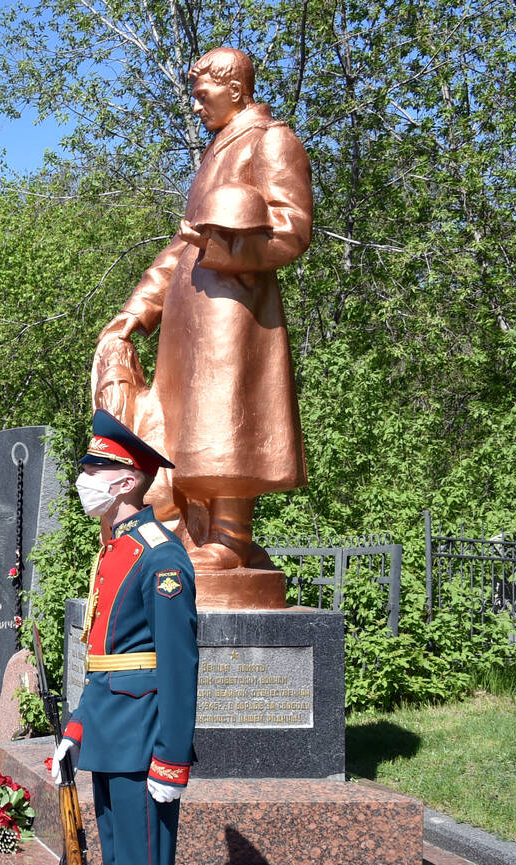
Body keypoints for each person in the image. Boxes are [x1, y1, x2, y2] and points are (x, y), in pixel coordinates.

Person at [94, 46, 310, 575]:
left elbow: (292, 229)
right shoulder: (216, 150)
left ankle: (232, 538)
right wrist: (135, 313)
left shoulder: (270, 140)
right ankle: (196, 531)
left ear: (234, 88)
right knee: (184, 429)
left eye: (202, 93)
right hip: (190, 324)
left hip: (233, 316)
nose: (196, 106)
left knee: (225, 424)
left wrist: (222, 248)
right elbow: (178, 249)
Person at [52, 410, 198, 865]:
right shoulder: (116, 550)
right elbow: (104, 660)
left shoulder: (160, 557)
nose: (85, 479)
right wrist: (76, 729)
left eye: (96, 468)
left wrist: (172, 759)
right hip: (111, 730)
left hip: (144, 741)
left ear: (128, 480)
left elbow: (178, 666)